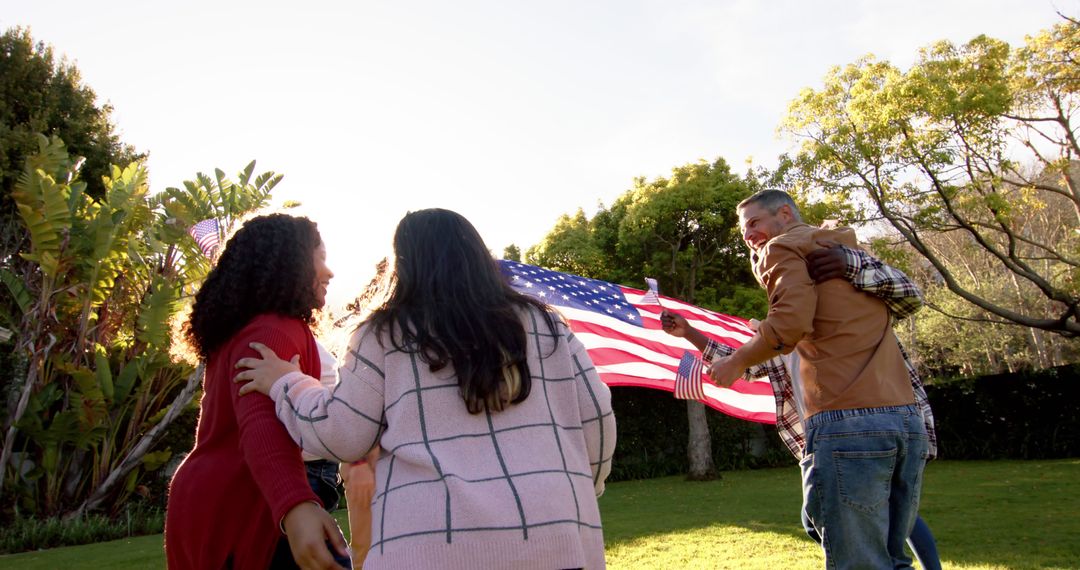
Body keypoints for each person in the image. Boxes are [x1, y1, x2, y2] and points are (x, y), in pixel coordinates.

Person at [234, 208, 616, 569]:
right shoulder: (547, 325)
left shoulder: (385, 333)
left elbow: (343, 434)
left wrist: (287, 382)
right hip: (559, 539)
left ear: (404, 266)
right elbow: (598, 419)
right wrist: (581, 488)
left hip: (428, 545)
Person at [660, 241, 941, 569]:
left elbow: (909, 294)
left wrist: (850, 262)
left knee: (878, 533)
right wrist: (690, 333)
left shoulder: (850, 313)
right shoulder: (779, 338)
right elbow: (742, 363)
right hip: (823, 438)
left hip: (867, 427)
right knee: (826, 521)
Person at [165, 214, 349, 570]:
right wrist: (296, 505)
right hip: (241, 499)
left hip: (202, 497)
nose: (329, 272)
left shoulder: (243, 330)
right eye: (321, 258)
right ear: (292, 263)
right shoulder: (273, 329)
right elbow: (259, 423)